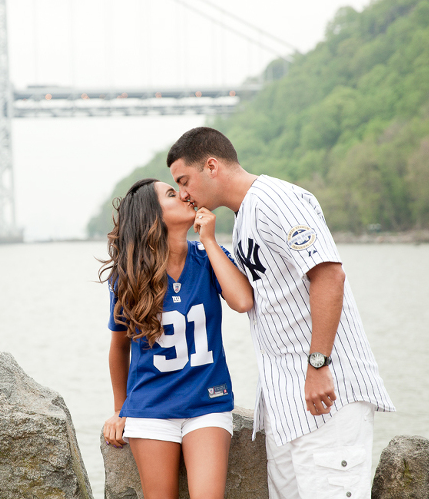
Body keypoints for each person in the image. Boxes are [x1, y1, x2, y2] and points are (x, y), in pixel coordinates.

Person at [166, 127, 395, 499]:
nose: (185, 194)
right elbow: (246, 300)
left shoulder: (275, 199)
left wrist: (318, 364)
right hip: (288, 404)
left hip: (327, 395)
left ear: (211, 166)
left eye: (184, 181)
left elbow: (329, 275)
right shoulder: (243, 219)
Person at [100, 178, 254, 499]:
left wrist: (209, 241)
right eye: (171, 193)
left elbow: (242, 301)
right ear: (152, 216)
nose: (184, 195)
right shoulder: (128, 275)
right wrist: (120, 409)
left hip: (207, 403)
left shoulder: (208, 257)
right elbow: (118, 350)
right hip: (150, 407)